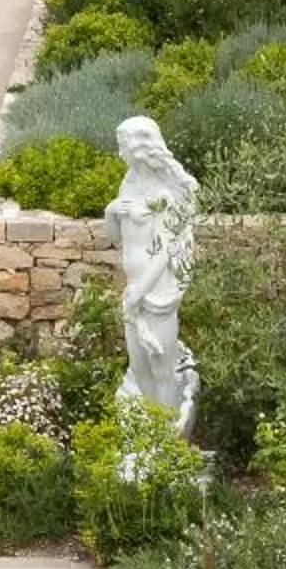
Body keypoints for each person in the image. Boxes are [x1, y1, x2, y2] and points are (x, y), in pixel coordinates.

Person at [108, 115, 201, 431]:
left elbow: (168, 249)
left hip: (156, 292)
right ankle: (151, 430)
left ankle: (167, 436)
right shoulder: (129, 182)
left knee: (161, 366)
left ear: (138, 147)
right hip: (133, 290)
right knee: (139, 365)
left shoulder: (164, 192)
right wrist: (112, 211)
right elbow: (114, 237)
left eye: (122, 145)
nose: (119, 152)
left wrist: (141, 290)